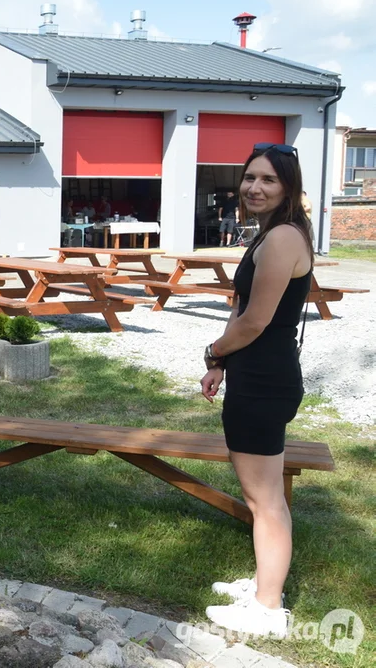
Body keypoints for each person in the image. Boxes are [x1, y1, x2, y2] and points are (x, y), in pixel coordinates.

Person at [200, 143, 313, 638]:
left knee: (265, 499)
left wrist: (213, 349)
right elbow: (242, 305)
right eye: (249, 178)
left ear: (288, 186)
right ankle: (265, 586)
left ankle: (268, 610)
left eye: (268, 179)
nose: (254, 187)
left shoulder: (284, 238)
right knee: (261, 497)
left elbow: (254, 322)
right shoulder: (269, 234)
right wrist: (222, 364)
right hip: (255, 376)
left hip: (265, 383)